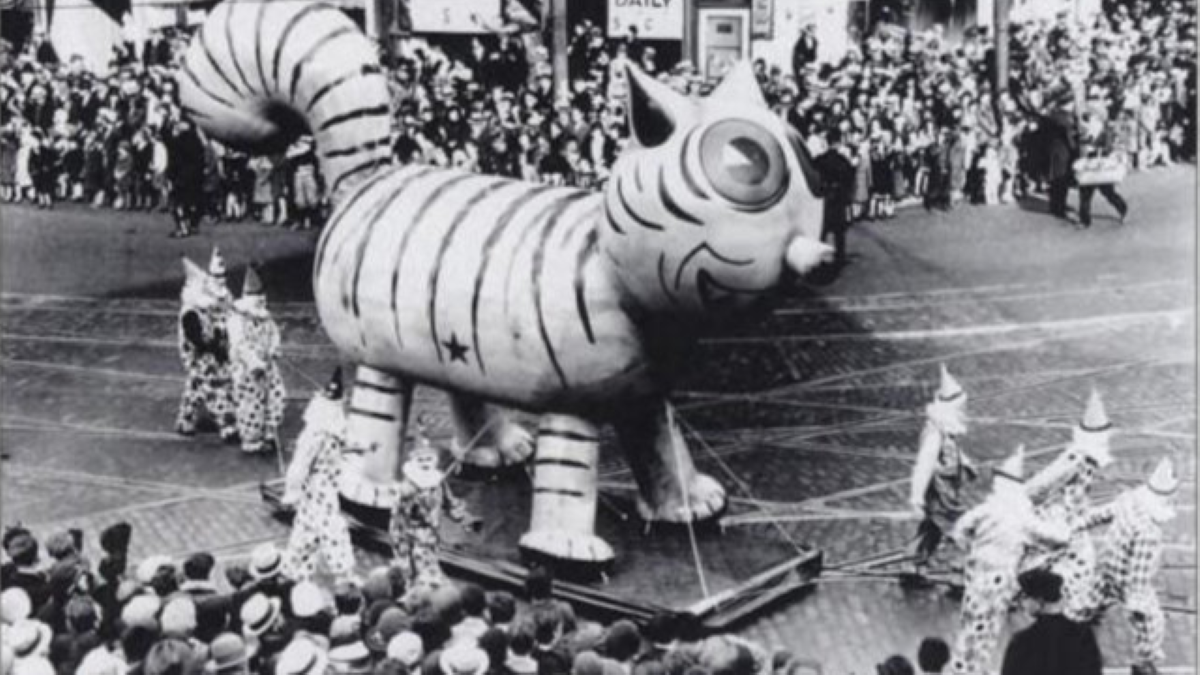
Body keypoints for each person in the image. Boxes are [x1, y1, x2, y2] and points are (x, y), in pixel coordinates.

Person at [947, 445, 1069, 675]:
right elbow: (1056, 538)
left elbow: (960, 528)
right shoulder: (1022, 516)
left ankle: (965, 667)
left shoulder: (987, 508)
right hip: (1000, 580)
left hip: (976, 575)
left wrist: (970, 548)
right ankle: (967, 670)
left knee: (970, 624)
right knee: (988, 630)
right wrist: (1062, 523)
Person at [1075, 458, 1179, 675]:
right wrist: (1138, 606)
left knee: (1088, 602)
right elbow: (1138, 577)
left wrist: (1080, 523)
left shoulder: (1129, 500)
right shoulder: (1149, 531)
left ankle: (1074, 627)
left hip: (1106, 567)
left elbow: (1103, 513)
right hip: (1125, 580)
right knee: (1152, 622)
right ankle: (1144, 662)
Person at [1023, 390, 1113, 619]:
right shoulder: (1076, 458)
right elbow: (1047, 479)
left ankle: (1060, 601)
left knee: (1076, 561)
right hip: (1060, 517)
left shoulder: (1090, 458)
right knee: (1076, 560)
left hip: (1073, 517)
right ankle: (1067, 606)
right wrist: (1021, 495)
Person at [281, 369, 356, 582]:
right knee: (332, 530)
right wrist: (291, 493)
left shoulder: (332, 430)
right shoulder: (314, 435)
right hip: (319, 487)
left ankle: (292, 571)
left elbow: (339, 449)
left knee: (306, 528)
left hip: (326, 486)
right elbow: (300, 465)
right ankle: (343, 575)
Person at [904, 366, 977, 585]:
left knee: (931, 528)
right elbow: (924, 466)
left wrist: (965, 463)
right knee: (961, 528)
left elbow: (950, 453)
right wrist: (916, 498)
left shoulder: (944, 431)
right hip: (940, 494)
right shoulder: (935, 433)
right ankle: (959, 573)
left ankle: (912, 566)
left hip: (945, 491)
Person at [390, 435, 480, 597]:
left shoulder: (438, 482)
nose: (425, 463)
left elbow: (450, 504)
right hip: (410, 539)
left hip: (431, 538)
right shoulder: (407, 487)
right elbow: (398, 519)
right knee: (415, 576)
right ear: (414, 461)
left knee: (427, 575)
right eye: (421, 459)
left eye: (428, 459)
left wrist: (465, 519)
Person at [175, 248, 238, 443]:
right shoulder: (191, 312)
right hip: (201, 353)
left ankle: (186, 419)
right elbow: (197, 340)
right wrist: (215, 346)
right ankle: (226, 423)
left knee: (196, 385)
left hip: (217, 348)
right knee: (213, 381)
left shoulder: (221, 299)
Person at [226, 266, 286, 455]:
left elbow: (274, 334)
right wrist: (254, 363)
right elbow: (239, 345)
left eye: (263, 295)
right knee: (251, 406)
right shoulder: (237, 320)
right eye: (257, 295)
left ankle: (269, 433)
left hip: (268, 367)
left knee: (277, 396)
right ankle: (252, 440)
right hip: (247, 372)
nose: (261, 299)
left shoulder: (265, 317)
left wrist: (274, 348)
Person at [1001, 569, 1102, 675]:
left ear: (1039, 600)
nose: (1021, 603)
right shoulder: (1083, 636)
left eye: (1025, 597)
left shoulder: (1023, 642)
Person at [1075, 116, 1129, 228]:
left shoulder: (1105, 132)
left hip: (1101, 166)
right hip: (1088, 165)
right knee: (1085, 193)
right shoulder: (1085, 129)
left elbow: (1108, 148)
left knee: (1108, 192)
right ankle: (1084, 220)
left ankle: (1123, 208)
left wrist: (1093, 147)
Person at [814, 128, 855, 270]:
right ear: (838, 143)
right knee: (839, 231)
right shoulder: (843, 161)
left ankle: (818, 259)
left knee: (823, 230)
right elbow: (849, 179)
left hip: (824, 197)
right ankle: (840, 258)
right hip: (838, 198)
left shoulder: (819, 160)